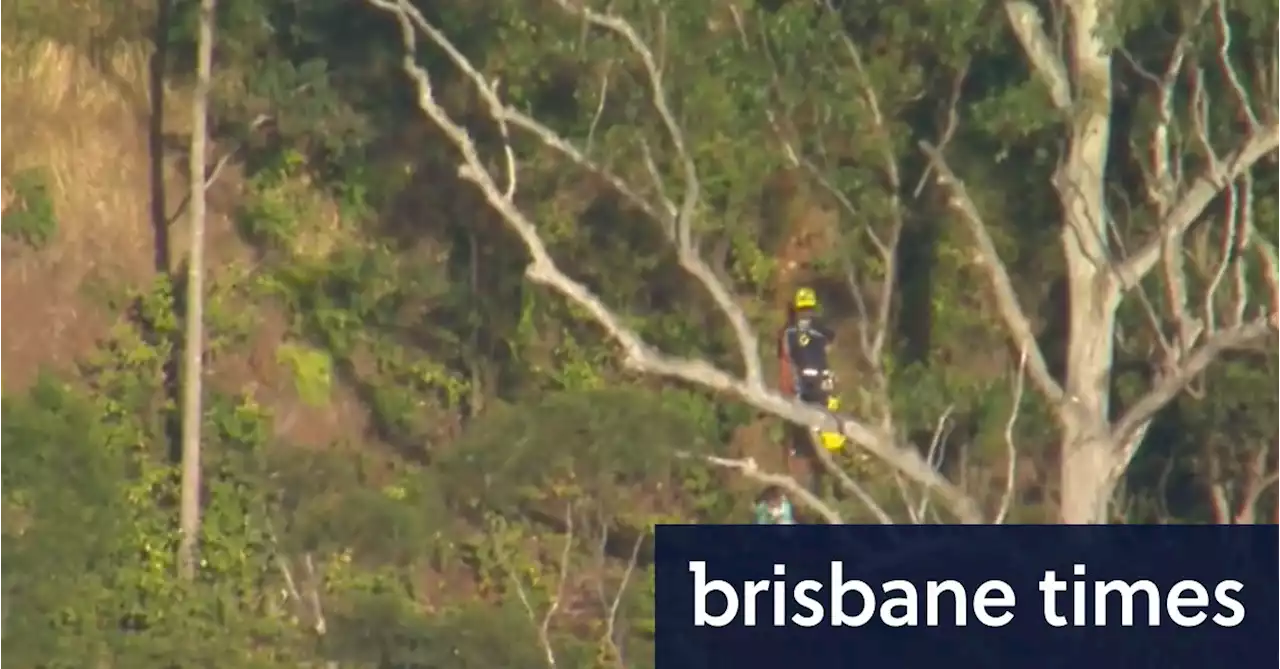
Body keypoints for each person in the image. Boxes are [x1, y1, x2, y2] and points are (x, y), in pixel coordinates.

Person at [777, 286, 836, 411]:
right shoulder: (818, 329)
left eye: (807, 309)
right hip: (810, 384)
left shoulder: (791, 331)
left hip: (809, 384)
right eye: (805, 309)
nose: (806, 313)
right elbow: (829, 346)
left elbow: (785, 354)